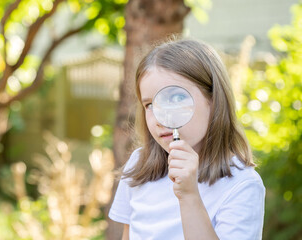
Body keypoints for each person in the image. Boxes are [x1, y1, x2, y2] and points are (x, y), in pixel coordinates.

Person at [108, 38, 265, 240]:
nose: (159, 117)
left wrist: (190, 196)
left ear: (214, 100)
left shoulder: (241, 185)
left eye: (176, 98)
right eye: (149, 105)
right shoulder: (140, 165)